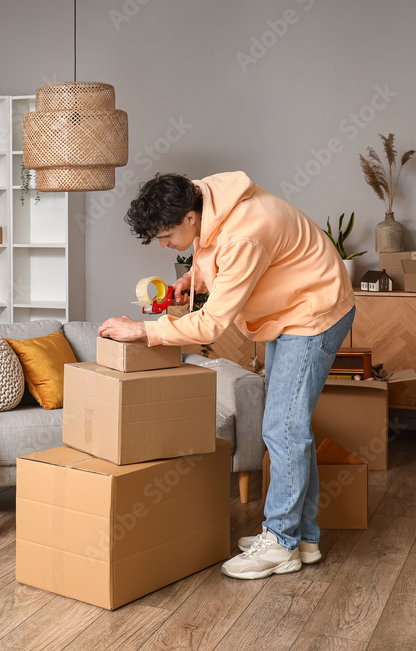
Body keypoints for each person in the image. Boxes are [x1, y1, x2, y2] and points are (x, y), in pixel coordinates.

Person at [98, 172, 355, 580]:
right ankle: (303, 538)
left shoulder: (244, 236)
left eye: (166, 236)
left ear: (188, 217)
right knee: (289, 427)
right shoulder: (206, 196)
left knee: (283, 428)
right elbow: (211, 251)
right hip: (289, 308)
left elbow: (211, 325)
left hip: (312, 313)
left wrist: (144, 330)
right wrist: (192, 279)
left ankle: (281, 543)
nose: (164, 246)